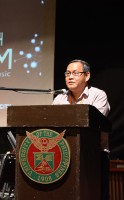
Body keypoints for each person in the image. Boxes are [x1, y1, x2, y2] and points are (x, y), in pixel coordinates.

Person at [53, 59, 110, 200]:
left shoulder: (98, 95)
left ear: (87, 76)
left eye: (75, 73)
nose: (70, 77)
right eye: (67, 73)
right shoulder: (59, 98)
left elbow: (94, 122)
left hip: (94, 156)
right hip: (64, 156)